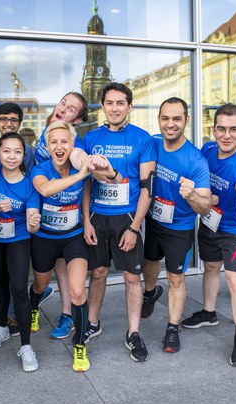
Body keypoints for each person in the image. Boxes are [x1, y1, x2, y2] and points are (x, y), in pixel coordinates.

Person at [181, 103, 236, 368]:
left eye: (233, 130)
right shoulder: (207, 150)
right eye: (221, 129)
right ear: (213, 129)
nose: (227, 135)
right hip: (209, 222)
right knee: (211, 267)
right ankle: (208, 312)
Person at [82, 82, 157, 362]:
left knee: (131, 277)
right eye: (109, 103)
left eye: (120, 103)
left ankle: (134, 332)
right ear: (102, 106)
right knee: (98, 272)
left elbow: (148, 187)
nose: (114, 108)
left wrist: (135, 227)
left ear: (129, 106)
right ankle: (92, 322)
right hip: (98, 216)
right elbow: (86, 185)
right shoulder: (90, 138)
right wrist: (86, 221)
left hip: (127, 217)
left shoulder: (143, 139)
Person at [141, 97, 212, 353]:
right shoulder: (153, 143)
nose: (170, 124)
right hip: (152, 219)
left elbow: (205, 207)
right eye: (165, 118)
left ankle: (172, 328)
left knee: (175, 277)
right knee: (149, 260)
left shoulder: (195, 160)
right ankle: (150, 292)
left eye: (176, 119)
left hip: (178, 227)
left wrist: (191, 195)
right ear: (159, 119)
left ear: (186, 121)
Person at [29, 121, 100, 372]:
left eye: (65, 141)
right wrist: (79, 175)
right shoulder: (40, 169)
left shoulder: (79, 164)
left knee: (78, 292)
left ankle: (79, 345)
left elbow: (85, 192)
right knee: (39, 284)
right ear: (47, 147)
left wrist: (88, 220)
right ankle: (34, 306)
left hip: (73, 236)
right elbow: (45, 189)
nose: (59, 147)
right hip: (45, 238)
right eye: (54, 142)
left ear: (72, 145)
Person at [0, 132, 41, 372]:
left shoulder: (30, 184)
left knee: (18, 287)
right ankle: (2, 327)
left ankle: (26, 346)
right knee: (0, 283)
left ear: (24, 155)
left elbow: (32, 222)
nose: (12, 156)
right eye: (7, 151)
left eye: (17, 152)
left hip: (18, 237)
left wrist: (34, 220)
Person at [33, 92, 92, 340]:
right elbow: (39, 183)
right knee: (44, 280)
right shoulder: (44, 136)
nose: (63, 109)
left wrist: (86, 165)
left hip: (70, 227)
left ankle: (68, 316)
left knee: (72, 280)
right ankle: (37, 298)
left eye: (71, 109)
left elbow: (81, 161)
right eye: (63, 103)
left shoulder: (75, 145)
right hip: (43, 225)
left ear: (76, 122)